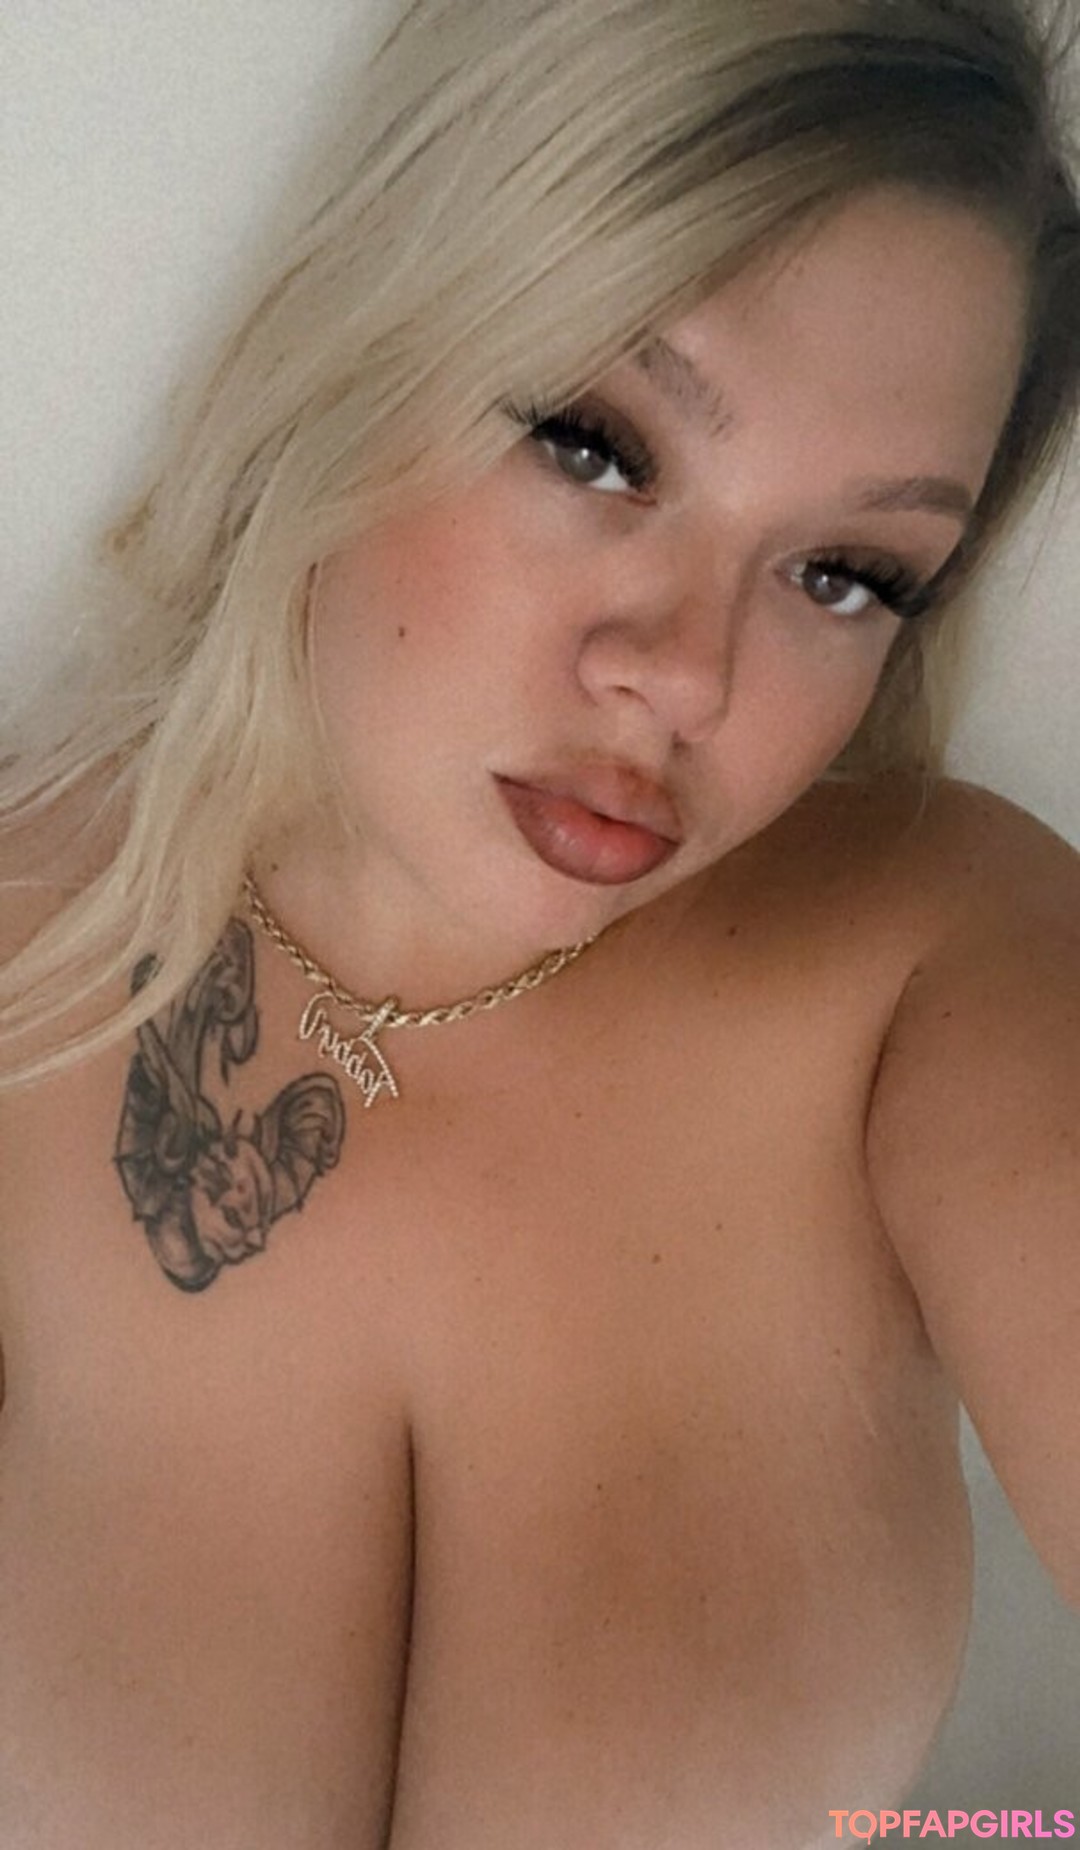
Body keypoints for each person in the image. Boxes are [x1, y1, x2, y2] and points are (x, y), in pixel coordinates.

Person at [1, 0, 1079, 1844]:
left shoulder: (940, 961)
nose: (686, 675)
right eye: (598, 444)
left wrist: (966, 1843)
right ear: (372, 330)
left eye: (844, 572)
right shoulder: (26, 945)